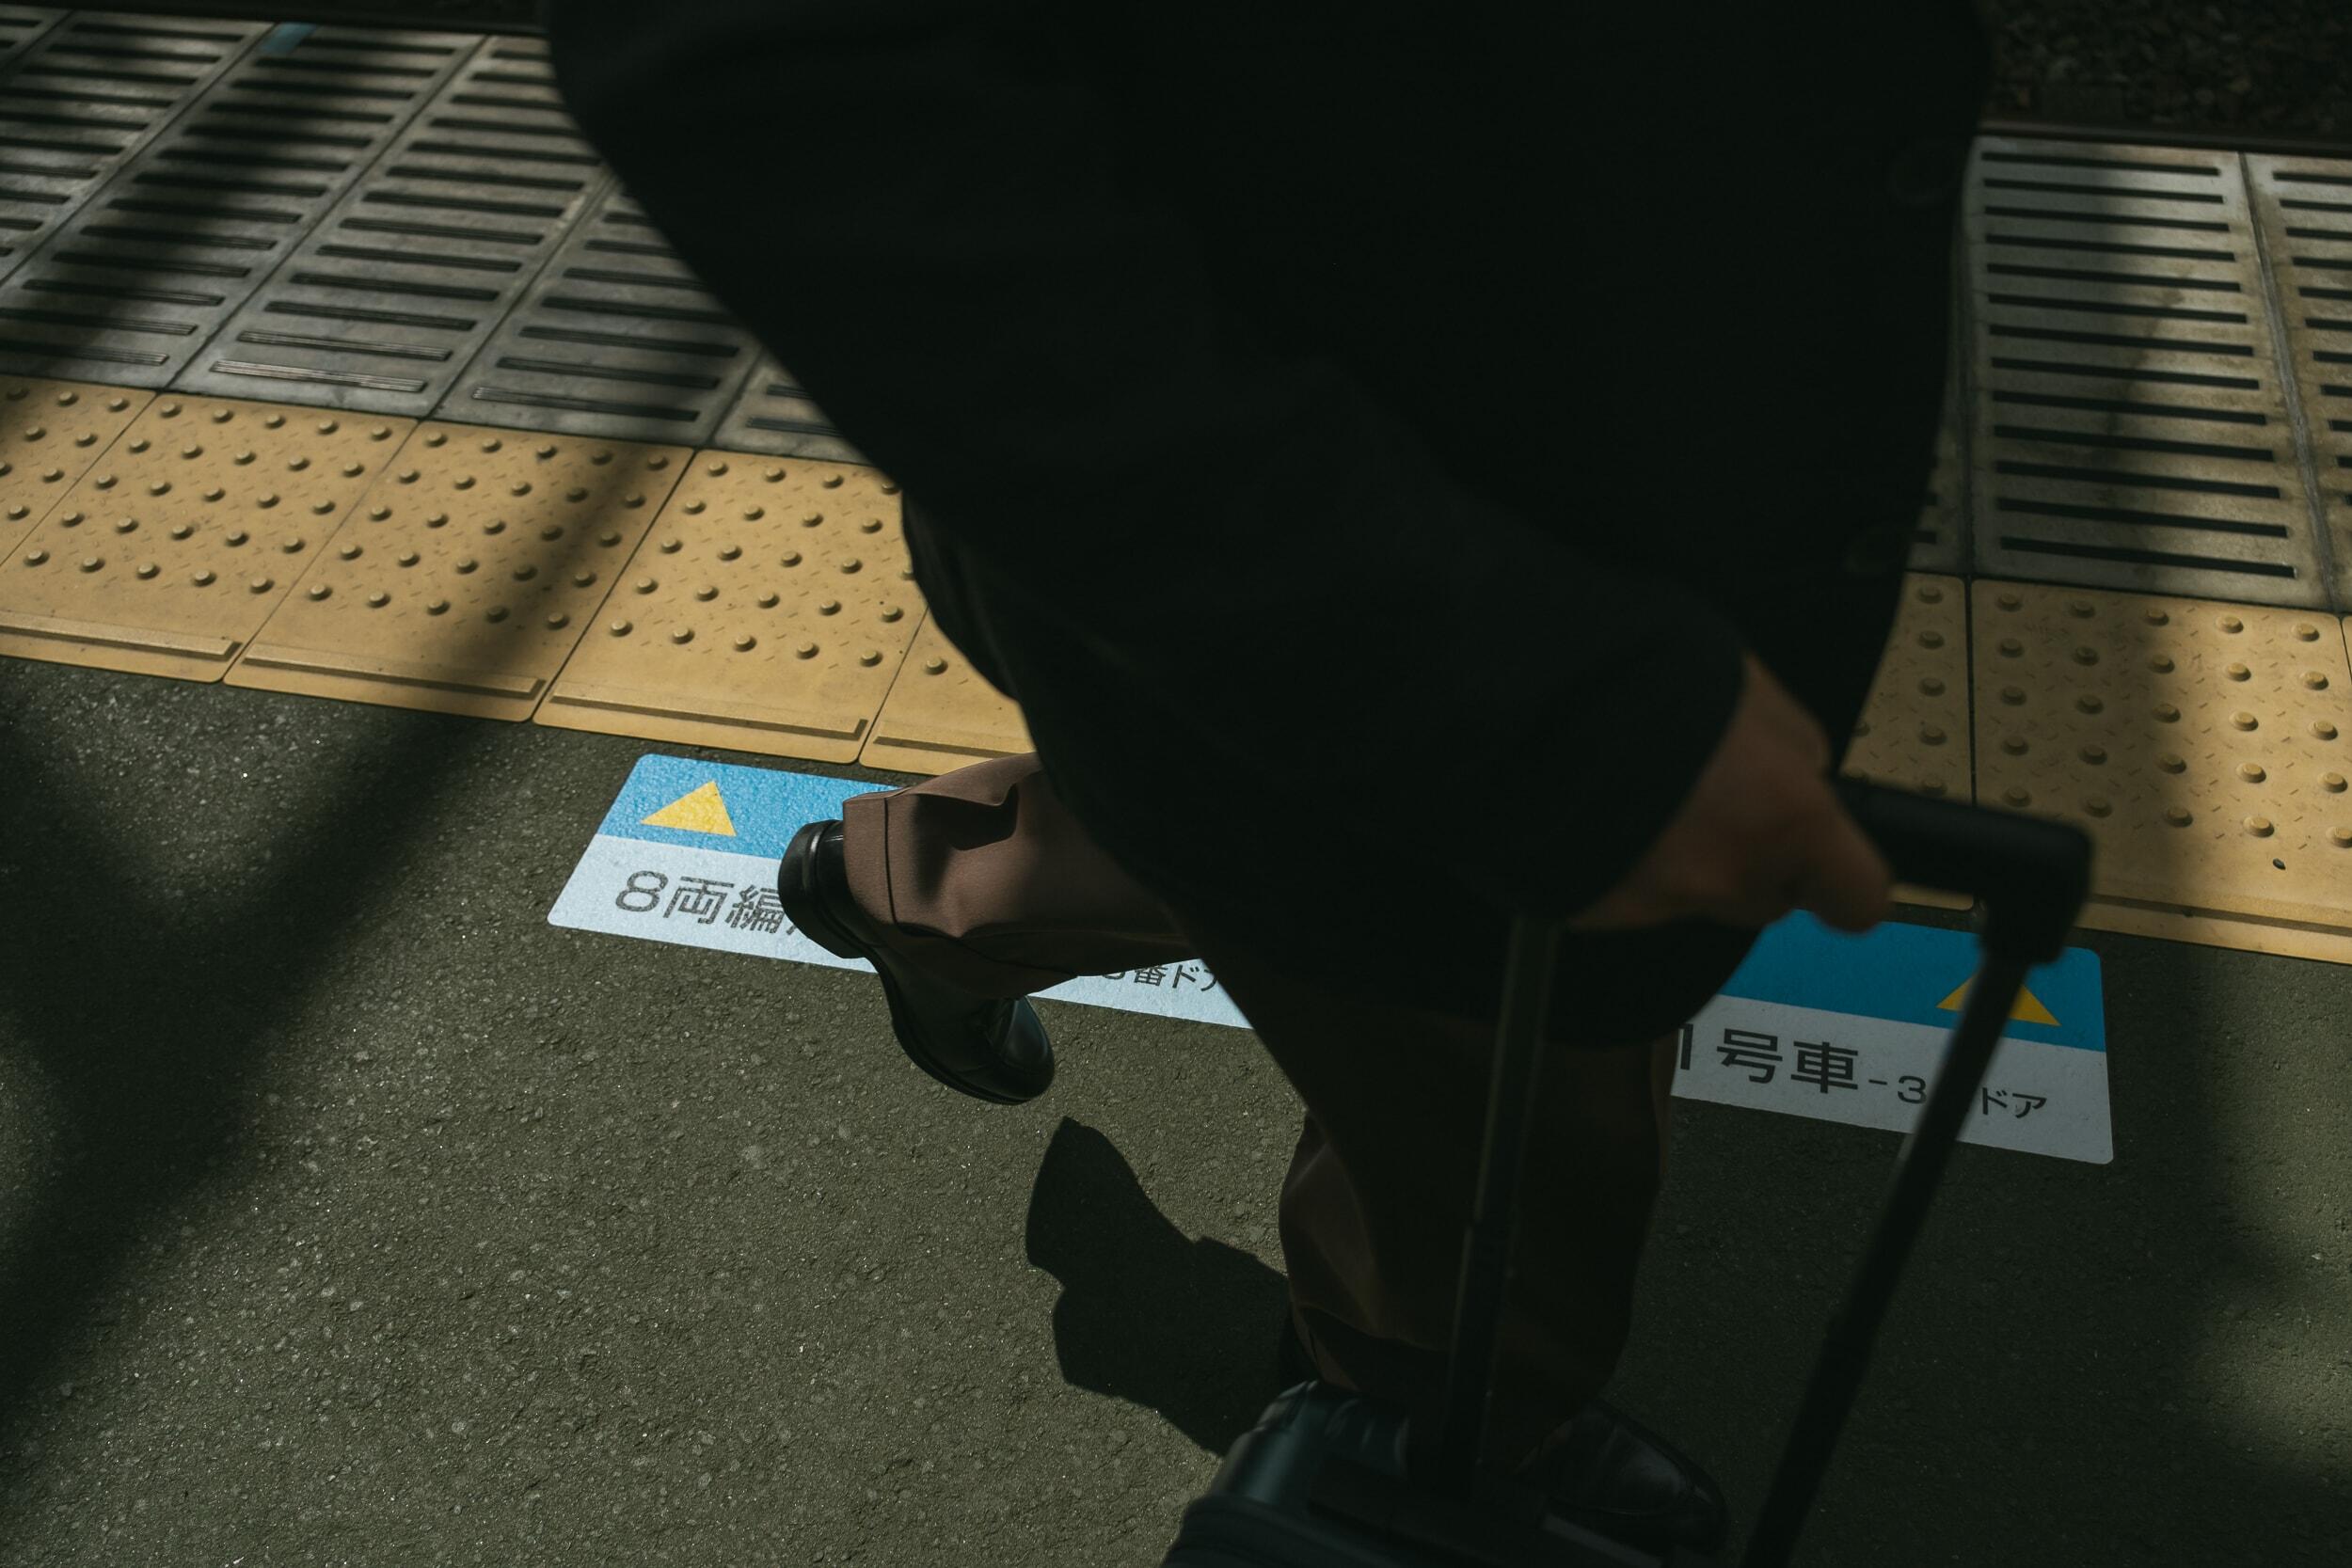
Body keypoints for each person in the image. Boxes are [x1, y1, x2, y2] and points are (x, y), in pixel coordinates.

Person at [547, 2, 1992, 1554]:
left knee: (1290, 852)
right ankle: (1414, 1404)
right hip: (1409, 544)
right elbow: (757, 68)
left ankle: (934, 887)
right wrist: (1542, 704)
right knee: (1512, 1142)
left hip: (1406, 526)